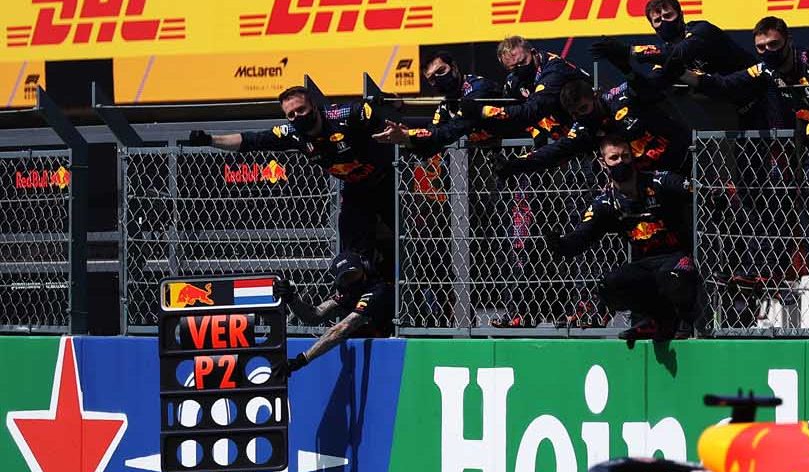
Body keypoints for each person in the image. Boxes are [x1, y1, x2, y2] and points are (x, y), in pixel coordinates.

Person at [186, 85, 396, 276]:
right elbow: (251, 140)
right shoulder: (293, 133)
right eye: (291, 114)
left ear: (313, 106)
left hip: (389, 182)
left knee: (405, 240)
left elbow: (394, 117)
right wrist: (210, 140)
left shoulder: (344, 114)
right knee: (351, 254)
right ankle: (357, 299)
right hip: (355, 190)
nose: (297, 117)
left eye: (301, 110)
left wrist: (391, 104)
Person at [544, 135, 700, 346]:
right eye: (614, 158)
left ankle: (685, 322)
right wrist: (560, 244)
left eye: (625, 156)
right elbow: (582, 236)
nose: (620, 162)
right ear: (603, 162)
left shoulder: (658, 181)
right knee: (610, 285)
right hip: (644, 266)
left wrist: (712, 195)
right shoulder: (604, 202)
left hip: (676, 258)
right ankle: (655, 318)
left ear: (633, 156)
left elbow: (695, 189)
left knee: (673, 277)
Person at [500, 75, 691, 176]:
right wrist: (516, 164)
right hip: (653, 180)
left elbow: (656, 83)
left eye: (584, 108)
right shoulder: (583, 130)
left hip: (688, 158)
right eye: (574, 113)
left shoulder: (622, 97)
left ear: (594, 96)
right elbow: (555, 151)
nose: (581, 115)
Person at [687, 16, 809, 131]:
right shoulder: (762, 69)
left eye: (773, 44)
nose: (768, 51)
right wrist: (683, 74)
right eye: (761, 47)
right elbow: (725, 84)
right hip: (788, 139)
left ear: (789, 40)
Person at [274, 250, 395, 379]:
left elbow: (341, 329)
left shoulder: (379, 290)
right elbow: (314, 316)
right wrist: (291, 299)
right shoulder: (348, 293)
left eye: (353, 274)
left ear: (365, 268)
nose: (350, 280)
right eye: (345, 277)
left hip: (387, 355)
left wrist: (301, 360)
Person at [593, 0, 752, 88]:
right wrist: (625, 68)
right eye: (657, 20)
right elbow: (650, 88)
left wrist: (630, 51)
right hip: (730, 110)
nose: (664, 22)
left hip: (758, 91)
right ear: (652, 27)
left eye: (668, 16)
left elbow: (679, 53)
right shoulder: (664, 56)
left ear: (681, 15)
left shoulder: (702, 31)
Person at [374, 50, 507, 156]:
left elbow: (452, 129)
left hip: (517, 150)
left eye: (441, 71)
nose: (438, 79)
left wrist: (410, 134)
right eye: (431, 78)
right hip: (489, 161)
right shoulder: (446, 105)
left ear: (453, 67)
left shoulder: (479, 88)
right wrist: (405, 139)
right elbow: (432, 141)